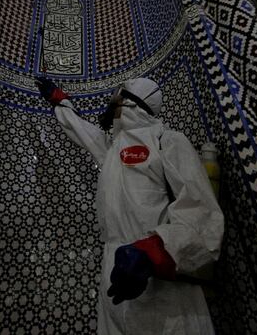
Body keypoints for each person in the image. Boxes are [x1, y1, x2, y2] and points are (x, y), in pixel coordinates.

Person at [36, 76, 224, 334]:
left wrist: (151, 253)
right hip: (113, 280)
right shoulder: (112, 149)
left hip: (161, 283)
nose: (111, 99)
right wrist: (60, 101)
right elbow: (79, 129)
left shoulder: (167, 140)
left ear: (130, 100)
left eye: (117, 94)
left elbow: (203, 215)